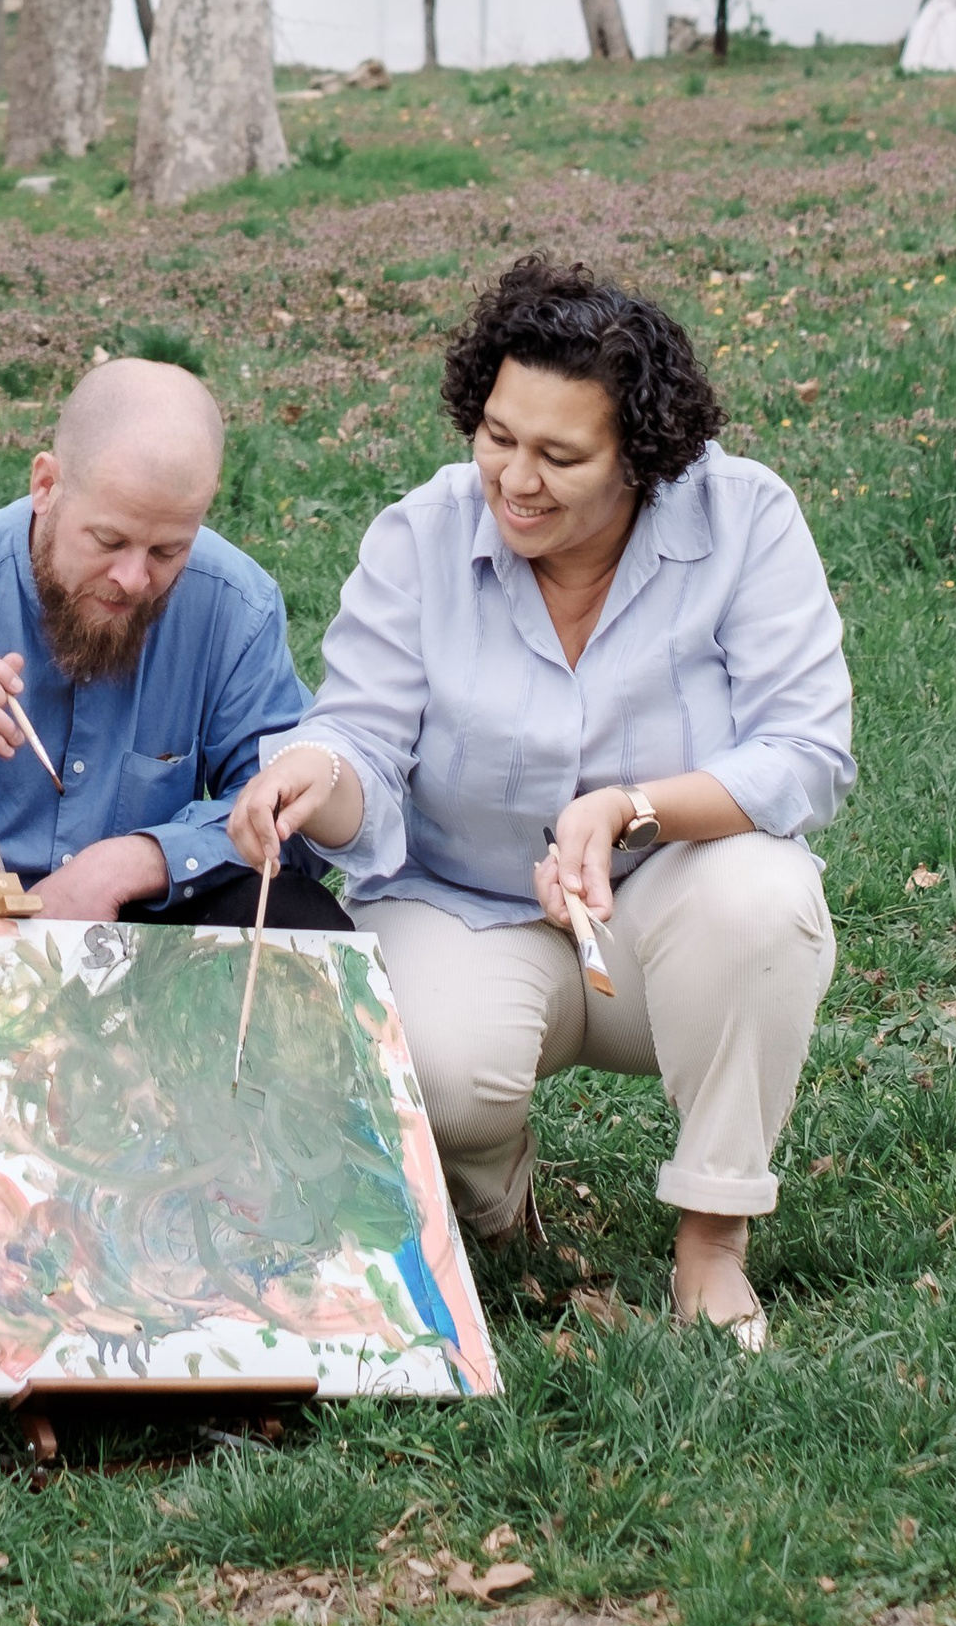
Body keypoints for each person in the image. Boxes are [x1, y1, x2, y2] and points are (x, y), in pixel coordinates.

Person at [228, 254, 853, 1347]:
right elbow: (361, 740)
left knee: (766, 900)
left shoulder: (745, 517)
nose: (516, 479)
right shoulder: (418, 537)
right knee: (436, 1064)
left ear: (641, 463)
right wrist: (310, 776)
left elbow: (805, 751)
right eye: (498, 438)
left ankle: (711, 1241)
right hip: (462, 905)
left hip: (668, 920)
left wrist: (632, 808)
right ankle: (494, 1201)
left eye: (561, 455)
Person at [0, 355, 342, 931]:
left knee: (295, 914)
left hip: (136, 954)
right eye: (109, 539)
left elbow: (294, 816)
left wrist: (134, 861)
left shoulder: (232, 606)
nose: (133, 579)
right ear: (46, 486)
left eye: (167, 551)